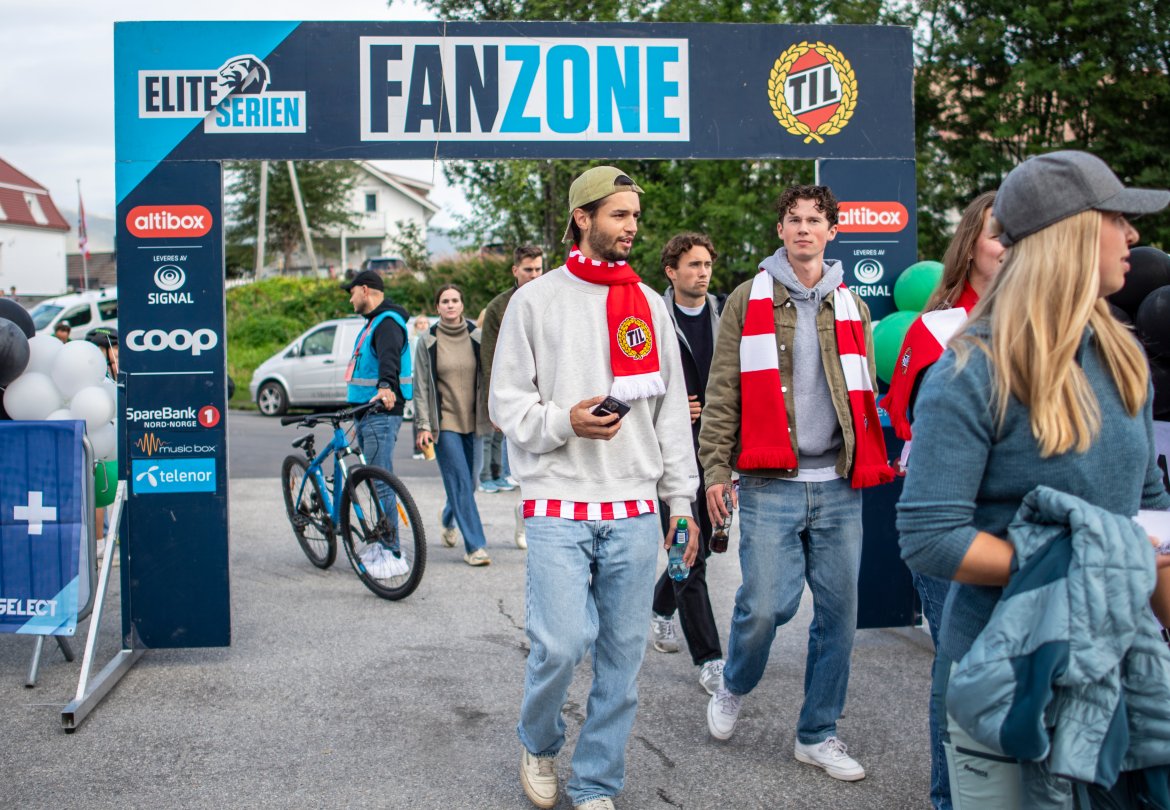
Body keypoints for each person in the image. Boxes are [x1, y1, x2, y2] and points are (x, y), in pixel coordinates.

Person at [897, 150, 1170, 807]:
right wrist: (1081, 560)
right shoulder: (968, 372)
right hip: (1004, 678)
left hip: (1117, 667)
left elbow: (1151, 523)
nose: (1133, 235)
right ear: (1071, 233)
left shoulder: (1123, 358)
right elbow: (931, 539)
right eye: (1117, 218)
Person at [490, 165, 699, 810]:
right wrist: (563, 421)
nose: (631, 227)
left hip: (634, 507)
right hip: (556, 502)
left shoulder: (652, 305)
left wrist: (681, 502)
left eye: (635, 216)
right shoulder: (535, 301)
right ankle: (539, 740)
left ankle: (597, 781)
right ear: (582, 219)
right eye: (618, 215)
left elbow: (668, 412)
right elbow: (507, 403)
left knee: (622, 662)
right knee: (559, 645)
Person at [699, 183, 893, 781]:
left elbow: (863, 392)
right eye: (794, 219)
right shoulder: (746, 298)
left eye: (815, 220)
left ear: (832, 231)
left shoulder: (852, 305)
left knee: (838, 616)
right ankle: (733, 682)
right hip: (769, 482)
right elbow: (723, 389)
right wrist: (715, 469)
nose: (804, 229)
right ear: (780, 230)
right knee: (764, 607)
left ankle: (817, 733)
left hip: (837, 482)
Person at [878, 190, 1002, 810]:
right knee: (958, 669)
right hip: (951, 522)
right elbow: (900, 417)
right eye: (997, 234)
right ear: (969, 247)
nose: (1009, 246)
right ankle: (948, 799)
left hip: (1023, 525)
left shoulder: (1053, 321)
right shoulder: (934, 328)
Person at [647, 232, 726, 695]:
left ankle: (661, 608)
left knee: (706, 550)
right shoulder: (654, 316)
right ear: (671, 272)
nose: (702, 273)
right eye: (693, 265)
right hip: (669, 455)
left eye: (707, 265)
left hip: (715, 453)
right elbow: (636, 376)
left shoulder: (722, 315)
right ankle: (710, 658)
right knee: (684, 549)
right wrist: (673, 403)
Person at [413, 284, 494, 567]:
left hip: (474, 420)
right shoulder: (428, 340)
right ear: (437, 307)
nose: (450, 305)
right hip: (443, 422)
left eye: (455, 300)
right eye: (444, 301)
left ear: (462, 305)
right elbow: (421, 386)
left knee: (470, 482)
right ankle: (475, 546)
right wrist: (423, 425)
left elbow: (491, 376)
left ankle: (448, 516)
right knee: (460, 481)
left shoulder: (477, 337)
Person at [341, 268, 411, 579]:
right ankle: (383, 542)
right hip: (367, 412)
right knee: (373, 478)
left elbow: (389, 358)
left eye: (352, 292)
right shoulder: (374, 323)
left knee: (381, 481)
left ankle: (392, 551)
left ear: (366, 290)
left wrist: (385, 385)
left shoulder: (387, 324)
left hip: (379, 413)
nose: (351, 298)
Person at [479, 244, 545, 545]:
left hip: (550, 397)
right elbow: (491, 360)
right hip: (518, 398)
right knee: (520, 467)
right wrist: (496, 407)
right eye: (528, 269)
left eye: (538, 269)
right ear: (515, 270)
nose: (533, 275)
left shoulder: (554, 299)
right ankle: (523, 516)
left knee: (544, 468)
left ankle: (528, 518)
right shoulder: (499, 307)